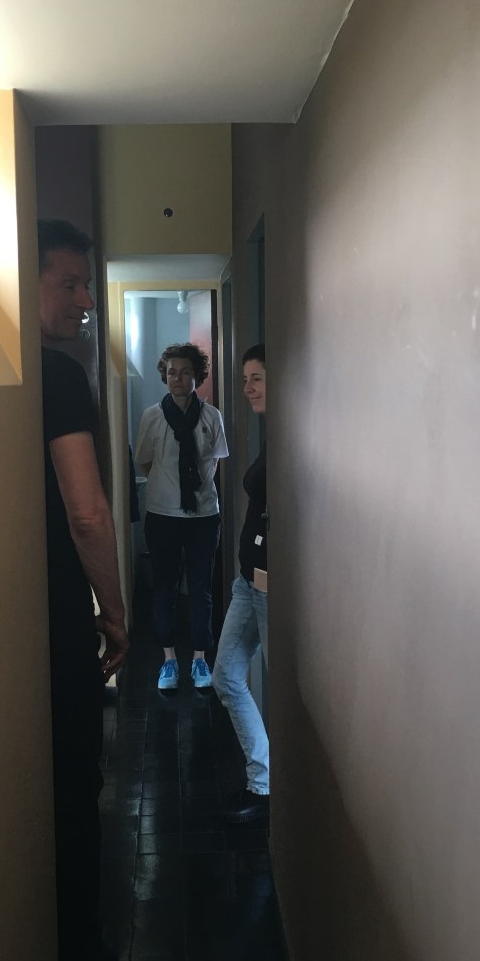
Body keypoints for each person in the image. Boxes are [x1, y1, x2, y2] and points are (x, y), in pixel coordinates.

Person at [38, 217, 129, 961]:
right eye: (68, 282)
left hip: (12, 621)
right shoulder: (59, 377)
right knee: (73, 785)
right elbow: (89, 512)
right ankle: (81, 957)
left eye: (87, 284)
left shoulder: (4, 374)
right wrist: (116, 611)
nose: (86, 300)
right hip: (60, 622)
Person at [134, 342, 228, 691]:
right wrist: (171, 490)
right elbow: (146, 461)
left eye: (185, 372)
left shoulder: (211, 416)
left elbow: (214, 460)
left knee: (201, 589)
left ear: (196, 376)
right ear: (165, 376)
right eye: (172, 372)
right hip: (163, 515)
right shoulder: (152, 416)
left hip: (204, 516)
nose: (178, 378)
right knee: (164, 589)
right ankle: (169, 660)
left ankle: (201, 659)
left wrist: (194, 490)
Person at [212, 344, 269, 825]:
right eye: (245, 379)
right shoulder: (273, 434)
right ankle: (264, 780)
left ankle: (267, 787)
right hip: (247, 584)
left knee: (280, 690)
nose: (247, 388)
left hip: (269, 589)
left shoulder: (294, 437)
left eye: (257, 379)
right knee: (227, 676)